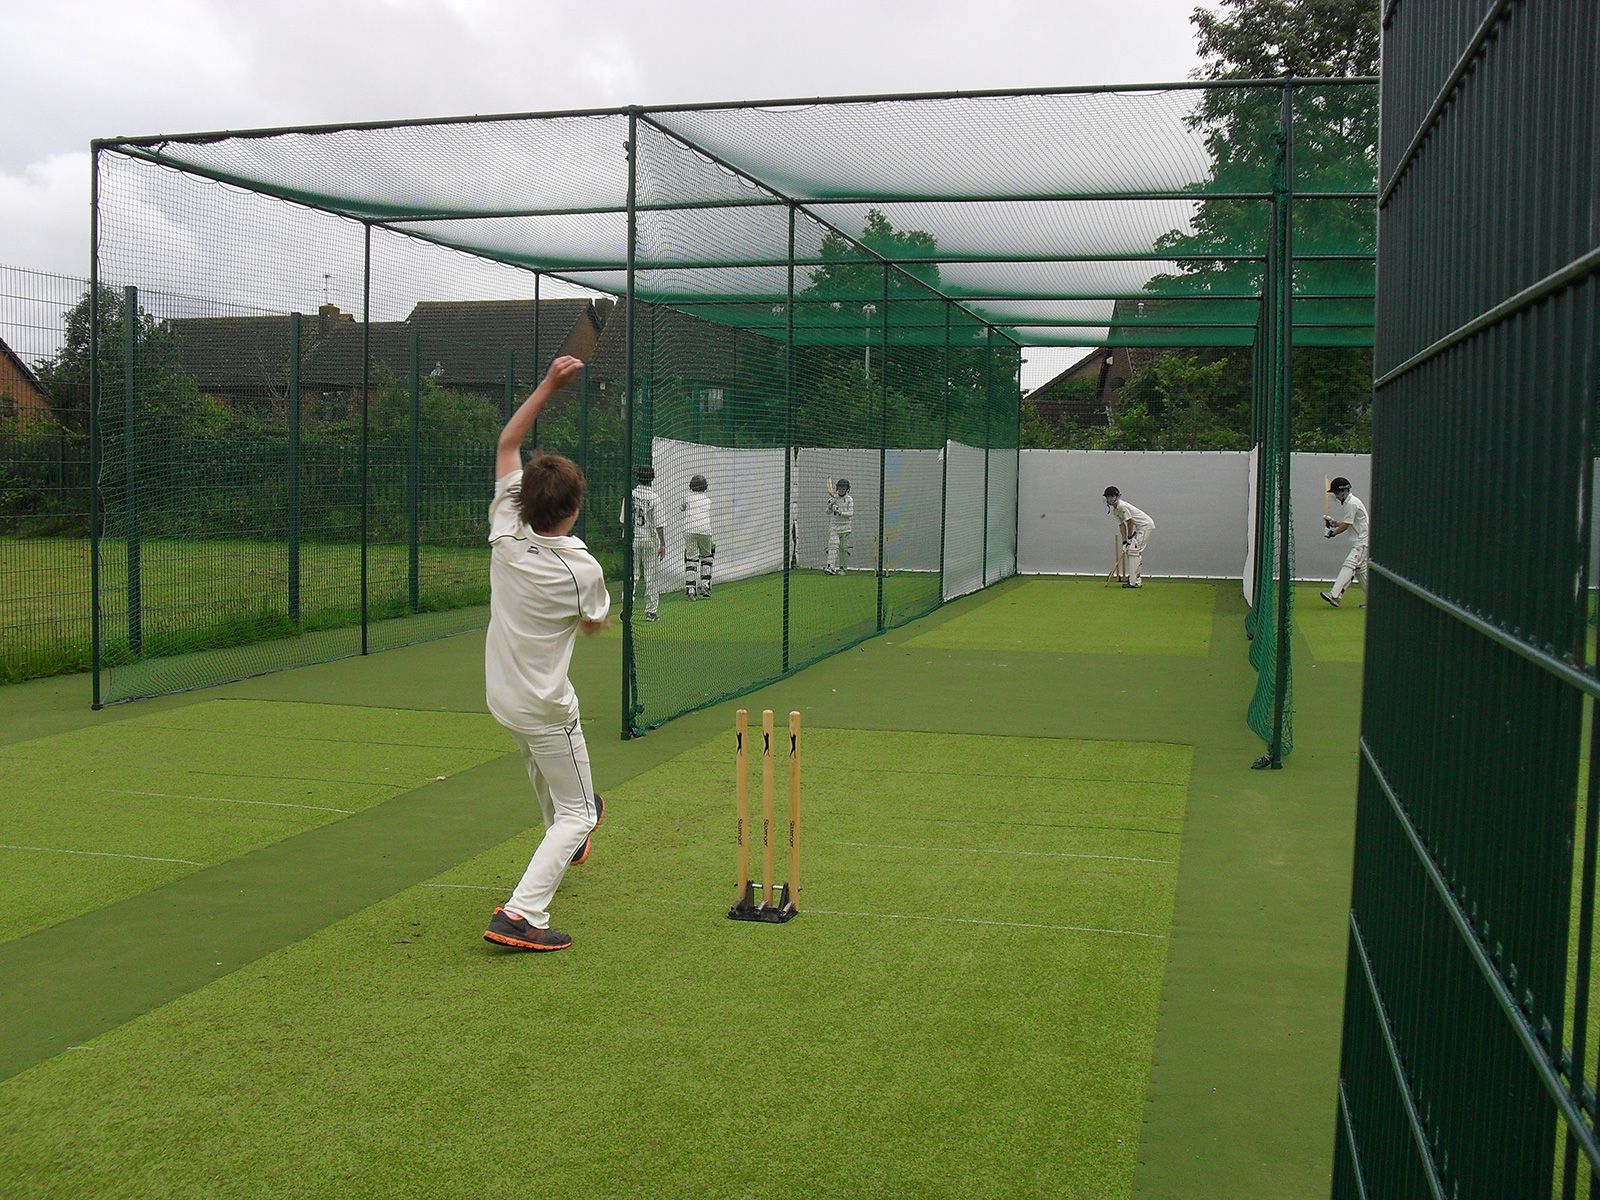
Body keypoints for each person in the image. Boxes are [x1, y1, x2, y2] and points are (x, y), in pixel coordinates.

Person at [481, 355, 611, 954]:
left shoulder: (505, 522)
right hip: (545, 704)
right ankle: (521, 913)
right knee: (581, 812)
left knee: (551, 778)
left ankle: (560, 839)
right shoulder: (581, 566)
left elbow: (510, 439)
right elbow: (593, 624)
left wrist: (550, 386)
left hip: (501, 698)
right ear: (573, 508)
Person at [620, 464, 665, 620]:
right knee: (651, 576)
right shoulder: (655, 498)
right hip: (649, 540)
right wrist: (662, 544)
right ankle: (651, 612)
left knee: (632, 575)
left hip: (632, 540)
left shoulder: (630, 495)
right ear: (652, 479)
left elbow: (623, 521)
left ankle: (627, 609)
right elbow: (659, 525)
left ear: (637, 477)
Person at [1320, 476, 1370, 608]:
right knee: (1361, 572)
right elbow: (1349, 523)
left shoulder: (1351, 503)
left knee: (1349, 565)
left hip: (1362, 543)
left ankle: (1335, 595)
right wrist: (1334, 523)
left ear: (1344, 491)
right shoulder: (1350, 502)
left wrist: (1333, 532)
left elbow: (1347, 525)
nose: (1336, 497)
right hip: (1362, 542)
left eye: (1336, 493)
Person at [1103, 486, 1154, 588]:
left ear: (1117, 496)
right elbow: (1122, 525)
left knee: (1134, 551)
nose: (1110, 499)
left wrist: (1130, 537)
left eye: (1112, 496)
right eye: (1108, 497)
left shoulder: (1122, 506)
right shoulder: (1114, 510)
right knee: (1131, 551)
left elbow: (1129, 521)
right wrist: (1124, 541)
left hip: (1145, 526)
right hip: (1139, 528)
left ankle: (1134, 582)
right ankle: (1135, 580)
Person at [682, 473, 715, 599]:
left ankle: (691, 589)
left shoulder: (687, 497)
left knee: (691, 558)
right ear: (705, 487)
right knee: (706, 557)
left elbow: (683, 508)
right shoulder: (707, 500)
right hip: (705, 530)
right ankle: (705, 585)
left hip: (689, 530)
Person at [825, 478, 853, 575]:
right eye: (840, 488)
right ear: (837, 488)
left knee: (843, 549)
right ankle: (830, 567)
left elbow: (851, 513)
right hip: (834, 527)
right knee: (833, 545)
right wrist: (830, 506)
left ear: (847, 489)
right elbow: (827, 512)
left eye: (844, 488)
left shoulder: (849, 499)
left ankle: (843, 568)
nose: (842, 490)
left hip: (845, 528)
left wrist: (840, 512)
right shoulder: (834, 498)